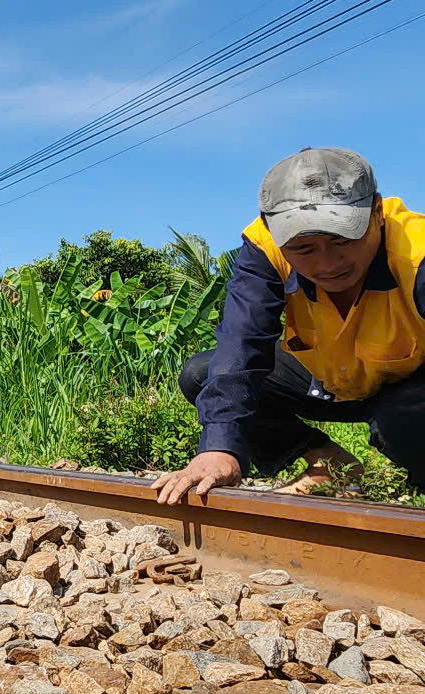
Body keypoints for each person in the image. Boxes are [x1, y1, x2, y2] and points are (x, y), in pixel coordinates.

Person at [154, 147, 425, 505]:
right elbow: (242, 343)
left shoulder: (416, 254)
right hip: (329, 380)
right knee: (203, 373)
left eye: (342, 239)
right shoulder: (265, 249)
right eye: (303, 248)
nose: (327, 263)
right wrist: (219, 448)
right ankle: (328, 463)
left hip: (410, 387)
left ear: (376, 213)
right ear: (272, 230)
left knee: (400, 421)